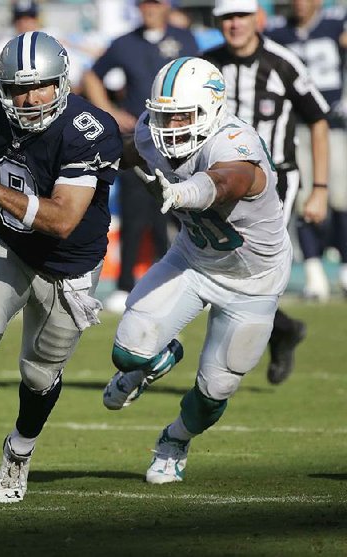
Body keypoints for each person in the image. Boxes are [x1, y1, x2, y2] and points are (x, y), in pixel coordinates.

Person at [0, 32, 122, 503]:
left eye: (42, 86)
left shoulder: (87, 129)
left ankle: (18, 453)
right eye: (18, 89)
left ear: (62, 82)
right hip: (7, 242)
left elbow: (63, 219)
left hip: (68, 264)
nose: (29, 98)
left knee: (38, 374)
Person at [102, 56, 292, 484]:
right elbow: (125, 150)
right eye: (163, 115)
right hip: (192, 260)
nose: (169, 127)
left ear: (212, 108)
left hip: (254, 281)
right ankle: (156, 359)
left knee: (216, 389)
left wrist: (184, 191)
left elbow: (229, 180)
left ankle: (175, 439)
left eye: (182, 116)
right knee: (127, 350)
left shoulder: (234, 142)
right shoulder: (154, 131)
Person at [203, 0, 330, 385]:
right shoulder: (207, 66)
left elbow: (318, 119)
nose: (234, 24)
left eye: (241, 16)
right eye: (227, 18)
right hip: (222, 181)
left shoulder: (283, 63)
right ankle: (282, 329)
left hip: (277, 180)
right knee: (219, 267)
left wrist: (320, 188)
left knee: (249, 265)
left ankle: (251, 345)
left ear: (257, 19)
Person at [81, 0, 198, 314]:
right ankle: (124, 283)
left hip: (180, 140)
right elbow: (91, 76)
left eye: (155, 3)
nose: (149, 9)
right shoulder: (124, 43)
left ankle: (182, 280)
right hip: (139, 141)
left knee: (180, 213)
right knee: (134, 215)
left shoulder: (184, 38)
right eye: (144, 3)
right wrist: (112, 112)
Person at [267, 0, 347, 300]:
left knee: (340, 198)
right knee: (301, 200)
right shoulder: (279, 33)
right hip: (296, 128)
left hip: (334, 123)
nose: (300, 4)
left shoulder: (334, 25)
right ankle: (313, 271)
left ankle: (344, 268)